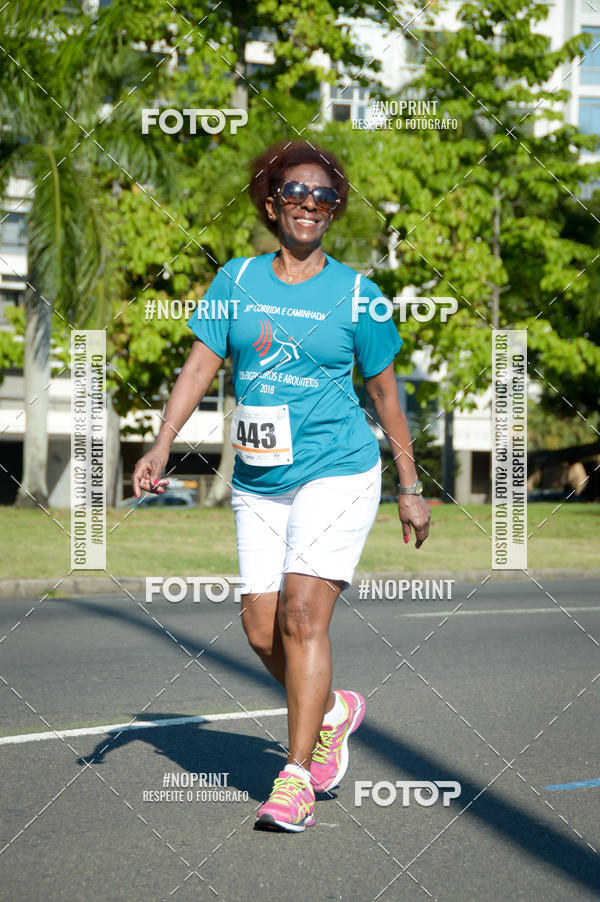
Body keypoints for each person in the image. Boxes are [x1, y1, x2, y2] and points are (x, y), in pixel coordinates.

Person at [132, 140, 431, 833]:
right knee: (261, 628)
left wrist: (409, 485)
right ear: (272, 202)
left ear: (335, 211)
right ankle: (332, 711)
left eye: (325, 197)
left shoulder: (361, 296)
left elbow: (386, 397)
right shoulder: (235, 281)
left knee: (302, 615)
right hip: (260, 480)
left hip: (339, 470)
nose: (310, 205)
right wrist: (162, 441)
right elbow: (200, 367)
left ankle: (294, 777)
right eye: (296, 193)